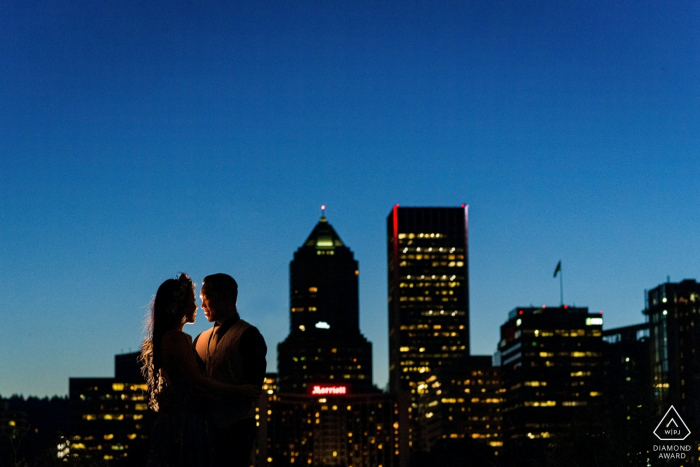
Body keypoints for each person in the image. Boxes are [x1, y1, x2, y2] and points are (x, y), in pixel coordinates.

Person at [140, 273, 260, 467]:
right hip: (189, 424)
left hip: (216, 426)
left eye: (204, 299)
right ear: (178, 305)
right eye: (195, 300)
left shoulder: (245, 335)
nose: (199, 306)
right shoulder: (185, 339)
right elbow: (196, 379)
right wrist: (239, 390)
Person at [194, 273, 267, 467]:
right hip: (204, 430)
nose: (201, 306)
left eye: (205, 298)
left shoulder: (249, 336)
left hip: (237, 431)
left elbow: (252, 390)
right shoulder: (199, 339)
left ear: (225, 297)